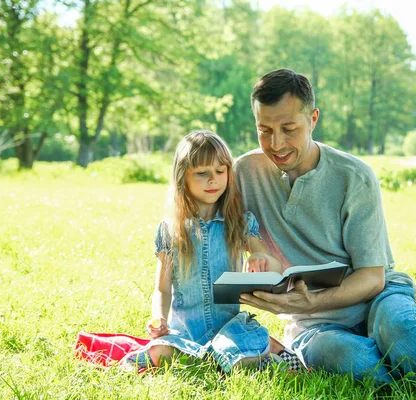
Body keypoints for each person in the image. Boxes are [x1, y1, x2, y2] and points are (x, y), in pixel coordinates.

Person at [234, 69, 416, 383]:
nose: (276, 143)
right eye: (264, 130)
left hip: (379, 299)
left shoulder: (354, 176)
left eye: (288, 128)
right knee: (354, 360)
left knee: (400, 329)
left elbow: (373, 278)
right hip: (315, 325)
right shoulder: (244, 173)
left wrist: (312, 300)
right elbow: (210, 225)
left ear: (313, 119)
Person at [123, 130, 301, 372]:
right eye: (202, 173)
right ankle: (236, 359)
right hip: (185, 330)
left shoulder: (239, 223)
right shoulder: (171, 230)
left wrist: (261, 257)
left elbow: (274, 266)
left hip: (228, 329)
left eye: (220, 171)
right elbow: (162, 289)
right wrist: (159, 318)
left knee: (237, 352)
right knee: (161, 352)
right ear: (182, 177)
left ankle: (251, 357)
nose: (213, 180)